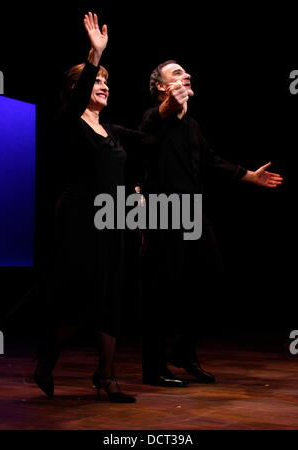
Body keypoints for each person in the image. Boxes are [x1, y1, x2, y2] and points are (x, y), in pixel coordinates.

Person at [139, 60, 283, 387]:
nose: (185, 75)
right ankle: (154, 368)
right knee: (161, 290)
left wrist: (250, 176)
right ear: (161, 87)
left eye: (186, 72)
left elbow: (210, 159)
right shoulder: (152, 117)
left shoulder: (191, 124)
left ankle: (183, 351)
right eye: (176, 74)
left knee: (214, 277)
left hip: (191, 211)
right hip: (162, 212)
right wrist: (167, 107)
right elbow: (152, 126)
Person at [34, 12, 150, 403]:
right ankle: (48, 357)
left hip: (113, 221)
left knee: (113, 296)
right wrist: (94, 57)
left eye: (105, 81)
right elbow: (81, 90)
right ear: (76, 87)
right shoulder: (69, 122)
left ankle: (107, 375)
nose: (102, 85)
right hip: (80, 220)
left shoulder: (112, 130)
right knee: (81, 296)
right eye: (95, 81)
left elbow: (150, 140)